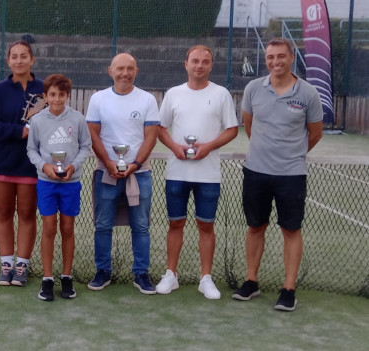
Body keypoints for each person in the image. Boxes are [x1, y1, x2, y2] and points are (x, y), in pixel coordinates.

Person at [232, 37, 323, 311]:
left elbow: (315, 134)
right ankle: (251, 281)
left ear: (291, 57)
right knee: (255, 226)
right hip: (256, 172)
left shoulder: (308, 93)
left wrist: (290, 155)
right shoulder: (253, 89)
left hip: (291, 175)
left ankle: (289, 288)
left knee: (291, 229)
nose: (275, 62)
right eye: (270, 57)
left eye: (280, 56)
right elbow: (249, 126)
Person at [155, 45, 239, 299]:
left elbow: (232, 129)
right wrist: (175, 147)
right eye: (195, 61)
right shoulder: (173, 94)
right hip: (177, 172)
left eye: (205, 62)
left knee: (206, 226)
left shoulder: (222, 94)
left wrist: (208, 147)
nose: (199, 65)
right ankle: (171, 275)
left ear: (211, 66)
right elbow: (161, 128)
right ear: (186, 64)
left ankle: (206, 278)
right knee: (175, 223)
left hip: (208, 175)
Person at [86, 53, 159, 294]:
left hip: (140, 174)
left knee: (140, 227)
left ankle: (141, 274)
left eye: (129, 69)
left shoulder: (147, 99)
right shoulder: (98, 99)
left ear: (136, 71)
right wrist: (108, 163)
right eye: (120, 69)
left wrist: (136, 164)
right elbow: (93, 134)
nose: (124, 73)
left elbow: (151, 136)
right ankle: (102, 271)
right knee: (103, 225)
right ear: (110, 71)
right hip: (105, 173)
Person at [26, 74, 91, 301]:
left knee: (67, 228)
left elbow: (86, 147)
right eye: (52, 95)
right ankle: (47, 279)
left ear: (67, 96)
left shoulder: (78, 119)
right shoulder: (37, 120)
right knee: (49, 228)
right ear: (45, 96)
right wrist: (45, 166)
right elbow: (31, 150)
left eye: (61, 95)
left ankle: (66, 276)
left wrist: (72, 166)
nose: (56, 99)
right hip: (46, 183)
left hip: (70, 183)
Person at [0, 40, 44, 287]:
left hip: (32, 164)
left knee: (28, 214)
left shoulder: (44, 88)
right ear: (8, 61)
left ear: (32, 60)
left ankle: (22, 265)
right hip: (3, 162)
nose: (19, 61)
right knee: (4, 213)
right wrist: (19, 132)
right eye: (14, 57)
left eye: (24, 56)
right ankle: (6, 264)